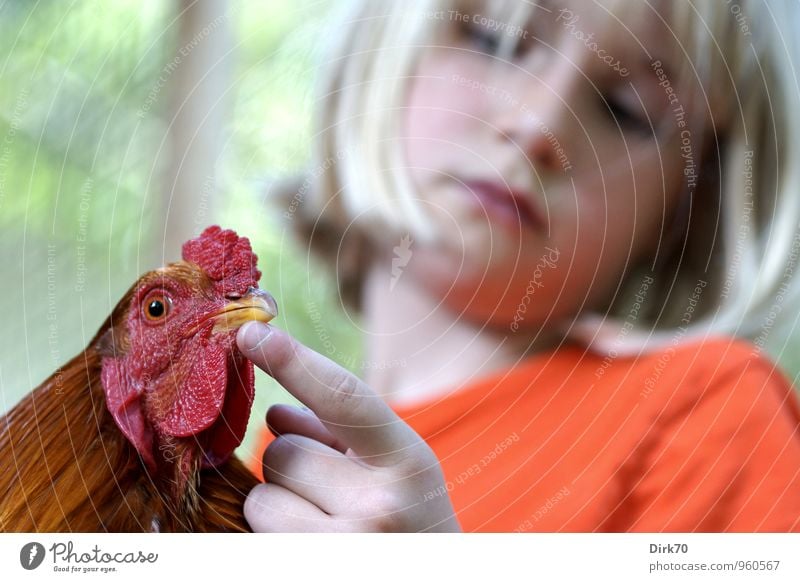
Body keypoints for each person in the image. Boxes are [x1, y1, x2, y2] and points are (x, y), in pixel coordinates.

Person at [235, 0, 800, 532]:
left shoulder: (710, 416)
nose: (540, 123)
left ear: (686, 212)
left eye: (625, 109)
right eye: (496, 38)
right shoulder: (266, 476)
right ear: (379, 41)